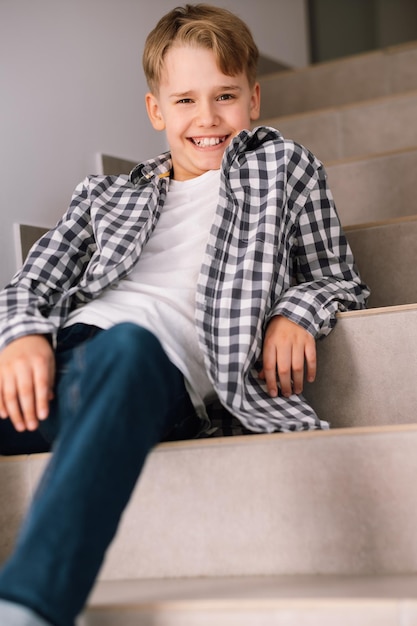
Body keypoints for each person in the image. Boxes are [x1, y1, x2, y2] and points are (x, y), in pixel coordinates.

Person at [0, 3, 369, 625]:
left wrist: (295, 312)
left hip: (154, 371)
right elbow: (35, 279)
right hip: (66, 364)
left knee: (130, 350)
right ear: (155, 111)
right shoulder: (105, 194)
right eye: (185, 101)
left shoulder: (283, 168)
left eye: (225, 96)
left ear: (253, 99)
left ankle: (28, 607)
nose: (207, 119)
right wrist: (22, 336)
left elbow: (338, 277)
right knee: (86, 353)